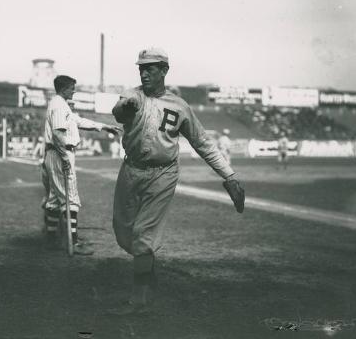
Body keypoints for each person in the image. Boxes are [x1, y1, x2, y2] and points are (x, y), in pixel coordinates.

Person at [110, 48, 243, 314]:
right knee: (124, 233)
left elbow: (202, 142)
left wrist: (229, 175)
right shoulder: (132, 95)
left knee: (143, 235)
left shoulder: (180, 106)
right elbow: (119, 113)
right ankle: (148, 278)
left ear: (164, 71)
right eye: (141, 68)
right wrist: (125, 108)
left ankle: (139, 300)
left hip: (163, 173)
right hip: (131, 170)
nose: (144, 72)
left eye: (150, 68)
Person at [42, 75, 120, 255]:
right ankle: (74, 243)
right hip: (60, 153)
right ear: (63, 88)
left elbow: (79, 121)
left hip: (54, 154)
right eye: (72, 87)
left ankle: (51, 240)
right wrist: (65, 159)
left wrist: (104, 126)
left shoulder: (59, 104)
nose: (74, 90)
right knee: (71, 200)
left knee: (54, 200)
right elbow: (58, 135)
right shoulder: (59, 106)